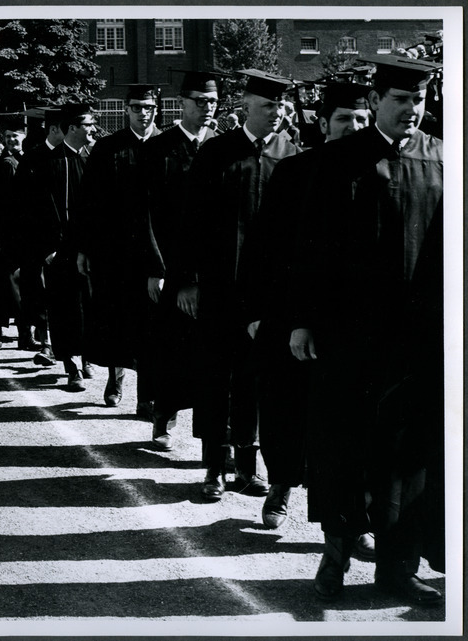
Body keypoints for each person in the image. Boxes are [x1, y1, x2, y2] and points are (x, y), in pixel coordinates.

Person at [289, 54, 444, 605]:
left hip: (419, 342)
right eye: (400, 100)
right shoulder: (336, 162)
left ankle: (398, 569)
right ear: (377, 100)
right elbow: (307, 249)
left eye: (418, 100)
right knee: (343, 448)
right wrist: (303, 319)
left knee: (408, 460)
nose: (411, 110)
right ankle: (335, 557)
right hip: (348, 338)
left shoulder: (443, 159)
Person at [241, 82, 373, 531]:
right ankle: (280, 485)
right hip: (288, 308)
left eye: (360, 119)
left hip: (348, 317)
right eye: (343, 119)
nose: (353, 127)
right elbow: (263, 247)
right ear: (322, 123)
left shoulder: (381, 169)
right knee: (284, 406)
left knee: (344, 421)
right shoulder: (295, 171)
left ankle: (347, 516)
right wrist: (258, 311)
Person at [175, 69, 303, 502]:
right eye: (268, 106)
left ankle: (248, 468)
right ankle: (214, 467)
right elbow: (189, 222)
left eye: (281, 106)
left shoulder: (291, 156)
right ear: (246, 106)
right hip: (218, 288)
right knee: (216, 376)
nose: (277, 113)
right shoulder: (217, 153)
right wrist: (188, 281)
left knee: (256, 380)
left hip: (265, 295)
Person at [140, 70, 221, 448]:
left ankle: (216, 441)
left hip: (214, 271)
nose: (207, 108)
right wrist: (155, 269)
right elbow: (144, 214)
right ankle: (163, 419)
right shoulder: (159, 148)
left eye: (212, 102)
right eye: (199, 101)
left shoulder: (223, 147)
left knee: (212, 355)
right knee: (170, 348)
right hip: (171, 267)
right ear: (182, 104)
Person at [77, 84, 161, 412]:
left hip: (154, 253)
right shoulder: (108, 148)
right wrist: (84, 248)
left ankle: (148, 394)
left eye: (149, 107)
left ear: (157, 109)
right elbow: (88, 202)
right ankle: (116, 375)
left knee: (152, 322)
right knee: (117, 318)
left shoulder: (165, 145)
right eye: (138, 107)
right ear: (127, 109)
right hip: (114, 252)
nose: (144, 113)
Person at [21, 103, 97, 391]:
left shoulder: (91, 159)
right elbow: (31, 211)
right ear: (72, 128)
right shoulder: (46, 162)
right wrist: (47, 248)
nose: (92, 129)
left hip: (87, 248)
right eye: (87, 124)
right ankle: (72, 366)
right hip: (58, 250)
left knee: (88, 306)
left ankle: (87, 354)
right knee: (63, 307)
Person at [13, 107, 65, 367]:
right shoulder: (32, 159)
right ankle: (46, 343)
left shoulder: (75, 157)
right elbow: (21, 206)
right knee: (42, 294)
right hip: (38, 243)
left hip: (68, 241)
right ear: (54, 129)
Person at [0, 116, 35, 350]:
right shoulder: (5, 164)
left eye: (16, 136)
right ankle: (1, 331)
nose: (13, 140)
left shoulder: (26, 160)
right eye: (9, 136)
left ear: (23, 137)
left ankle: (19, 334)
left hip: (24, 234)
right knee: (9, 287)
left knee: (20, 287)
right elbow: (0, 204)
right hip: (8, 234)